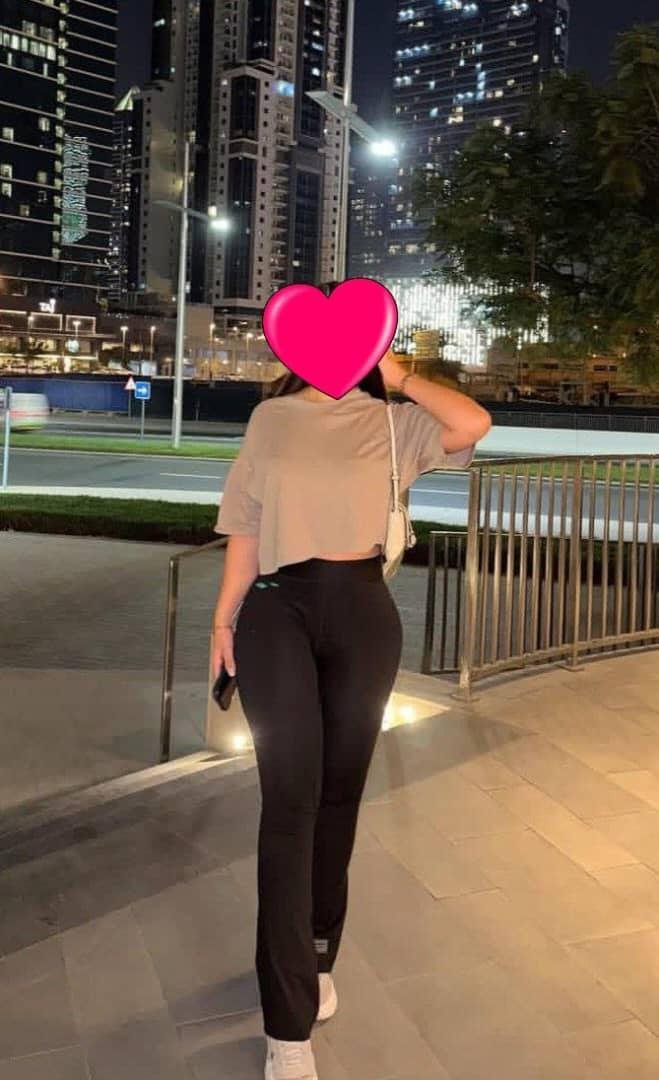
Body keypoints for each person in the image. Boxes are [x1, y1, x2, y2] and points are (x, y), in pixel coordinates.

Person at [211, 291, 492, 1080]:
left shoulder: (394, 422)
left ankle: (318, 952)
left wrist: (395, 374)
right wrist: (222, 622)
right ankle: (286, 1026)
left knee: (338, 796)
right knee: (289, 800)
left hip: (363, 612)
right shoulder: (270, 420)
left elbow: (471, 423)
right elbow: (246, 528)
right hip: (276, 609)